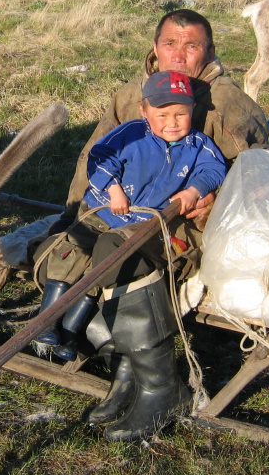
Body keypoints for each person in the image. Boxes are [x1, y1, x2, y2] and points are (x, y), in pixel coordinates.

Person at [36, 8, 268, 442]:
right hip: (123, 210)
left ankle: (161, 387)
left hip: (189, 223)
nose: (179, 54)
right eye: (170, 44)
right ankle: (126, 375)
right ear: (155, 48)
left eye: (192, 46)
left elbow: (254, 176)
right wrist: (75, 214)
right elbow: (94, 160)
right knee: (80, 246)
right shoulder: (131, 97)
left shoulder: (226, 104)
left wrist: (212, 197)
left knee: (119, 252)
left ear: (210, 51)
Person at [34, 70, 227, 363]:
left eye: (180, 114)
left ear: (192, 111)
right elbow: (100, 157)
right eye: (162, 115)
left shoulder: (198, 145)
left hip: (136, 223)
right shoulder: (132, 133)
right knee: (70, 255)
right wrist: (114, 189)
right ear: (144, 110)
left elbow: (214, 169)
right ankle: (46, 321)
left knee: (98, 272)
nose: (172, 123)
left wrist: (194, 190)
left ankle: (71, 332)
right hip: (101, 211)